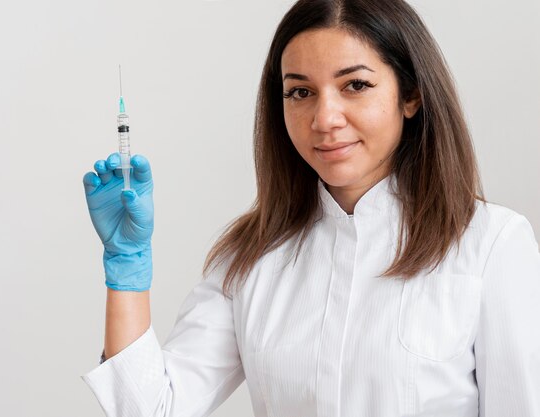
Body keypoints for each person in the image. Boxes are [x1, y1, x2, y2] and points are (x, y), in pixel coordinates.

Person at [80, 0, 540, 415]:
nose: (324, 119)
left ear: (411, 95)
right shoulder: (252, 257)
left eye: (355, 85)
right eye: (300, 92)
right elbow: (152, 411)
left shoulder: (490, 245)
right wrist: (126, 269)